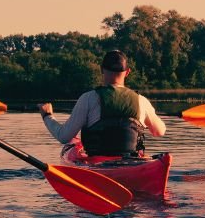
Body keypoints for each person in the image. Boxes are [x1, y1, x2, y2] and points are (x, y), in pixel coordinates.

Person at [38, 49, 166, 159]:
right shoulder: (141, 101)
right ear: (127, 72)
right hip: (131, 162)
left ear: (101, 69)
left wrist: (47, 116)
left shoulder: (89, 98)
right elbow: (160, 131)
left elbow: (64, 136)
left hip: (97, 165)